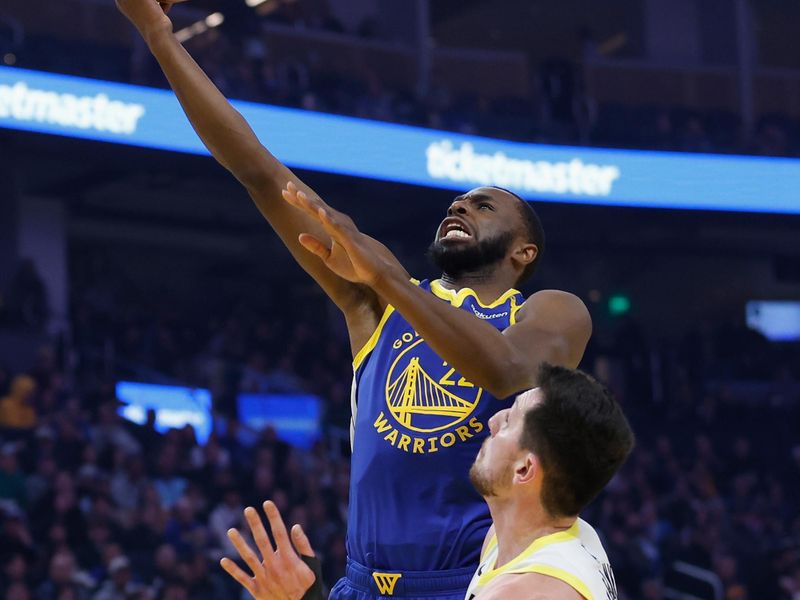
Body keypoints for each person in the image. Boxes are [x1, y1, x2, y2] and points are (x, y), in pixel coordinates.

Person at [115, 2, 592, 598]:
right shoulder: (378, 295)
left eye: (483, 205)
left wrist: (386, 277)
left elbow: (505, 371)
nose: (459, 207)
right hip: (362, 583)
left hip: (475, 581)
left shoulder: (551, 309)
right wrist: (159, 35)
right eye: (456, 203)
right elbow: (260, 173)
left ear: (524, 252)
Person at [221, 364, 634, 599]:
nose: (491, 420)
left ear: (525, 469)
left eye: (509, 420)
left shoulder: (526, 592)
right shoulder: (545, 537)